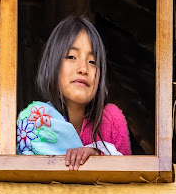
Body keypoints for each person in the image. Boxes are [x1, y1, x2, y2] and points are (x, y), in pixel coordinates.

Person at [17, 15, 131, 169]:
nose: (83, 69)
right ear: (52, 66)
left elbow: (129, 175)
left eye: (92, 62)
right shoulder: (34, 123)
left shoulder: (111, 120)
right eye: (71, 57)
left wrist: (98, 156)